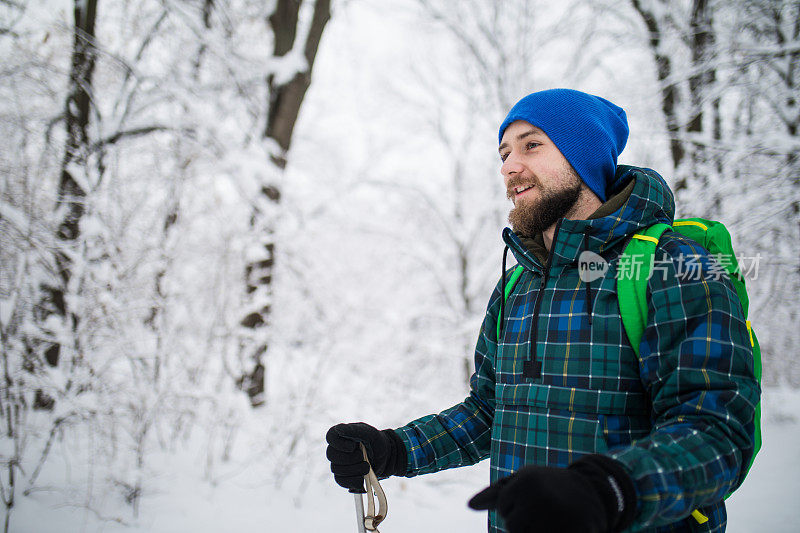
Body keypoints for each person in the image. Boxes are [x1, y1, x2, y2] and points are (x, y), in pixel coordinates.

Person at [325, 89, 759, 533]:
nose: (509, 166)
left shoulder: (674, 267)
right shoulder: (518, 284)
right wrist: (394, 449)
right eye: (504, 152)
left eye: (532, 145)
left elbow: (717, 432)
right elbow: (490, 411)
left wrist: (606, 490)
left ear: (585, 157)